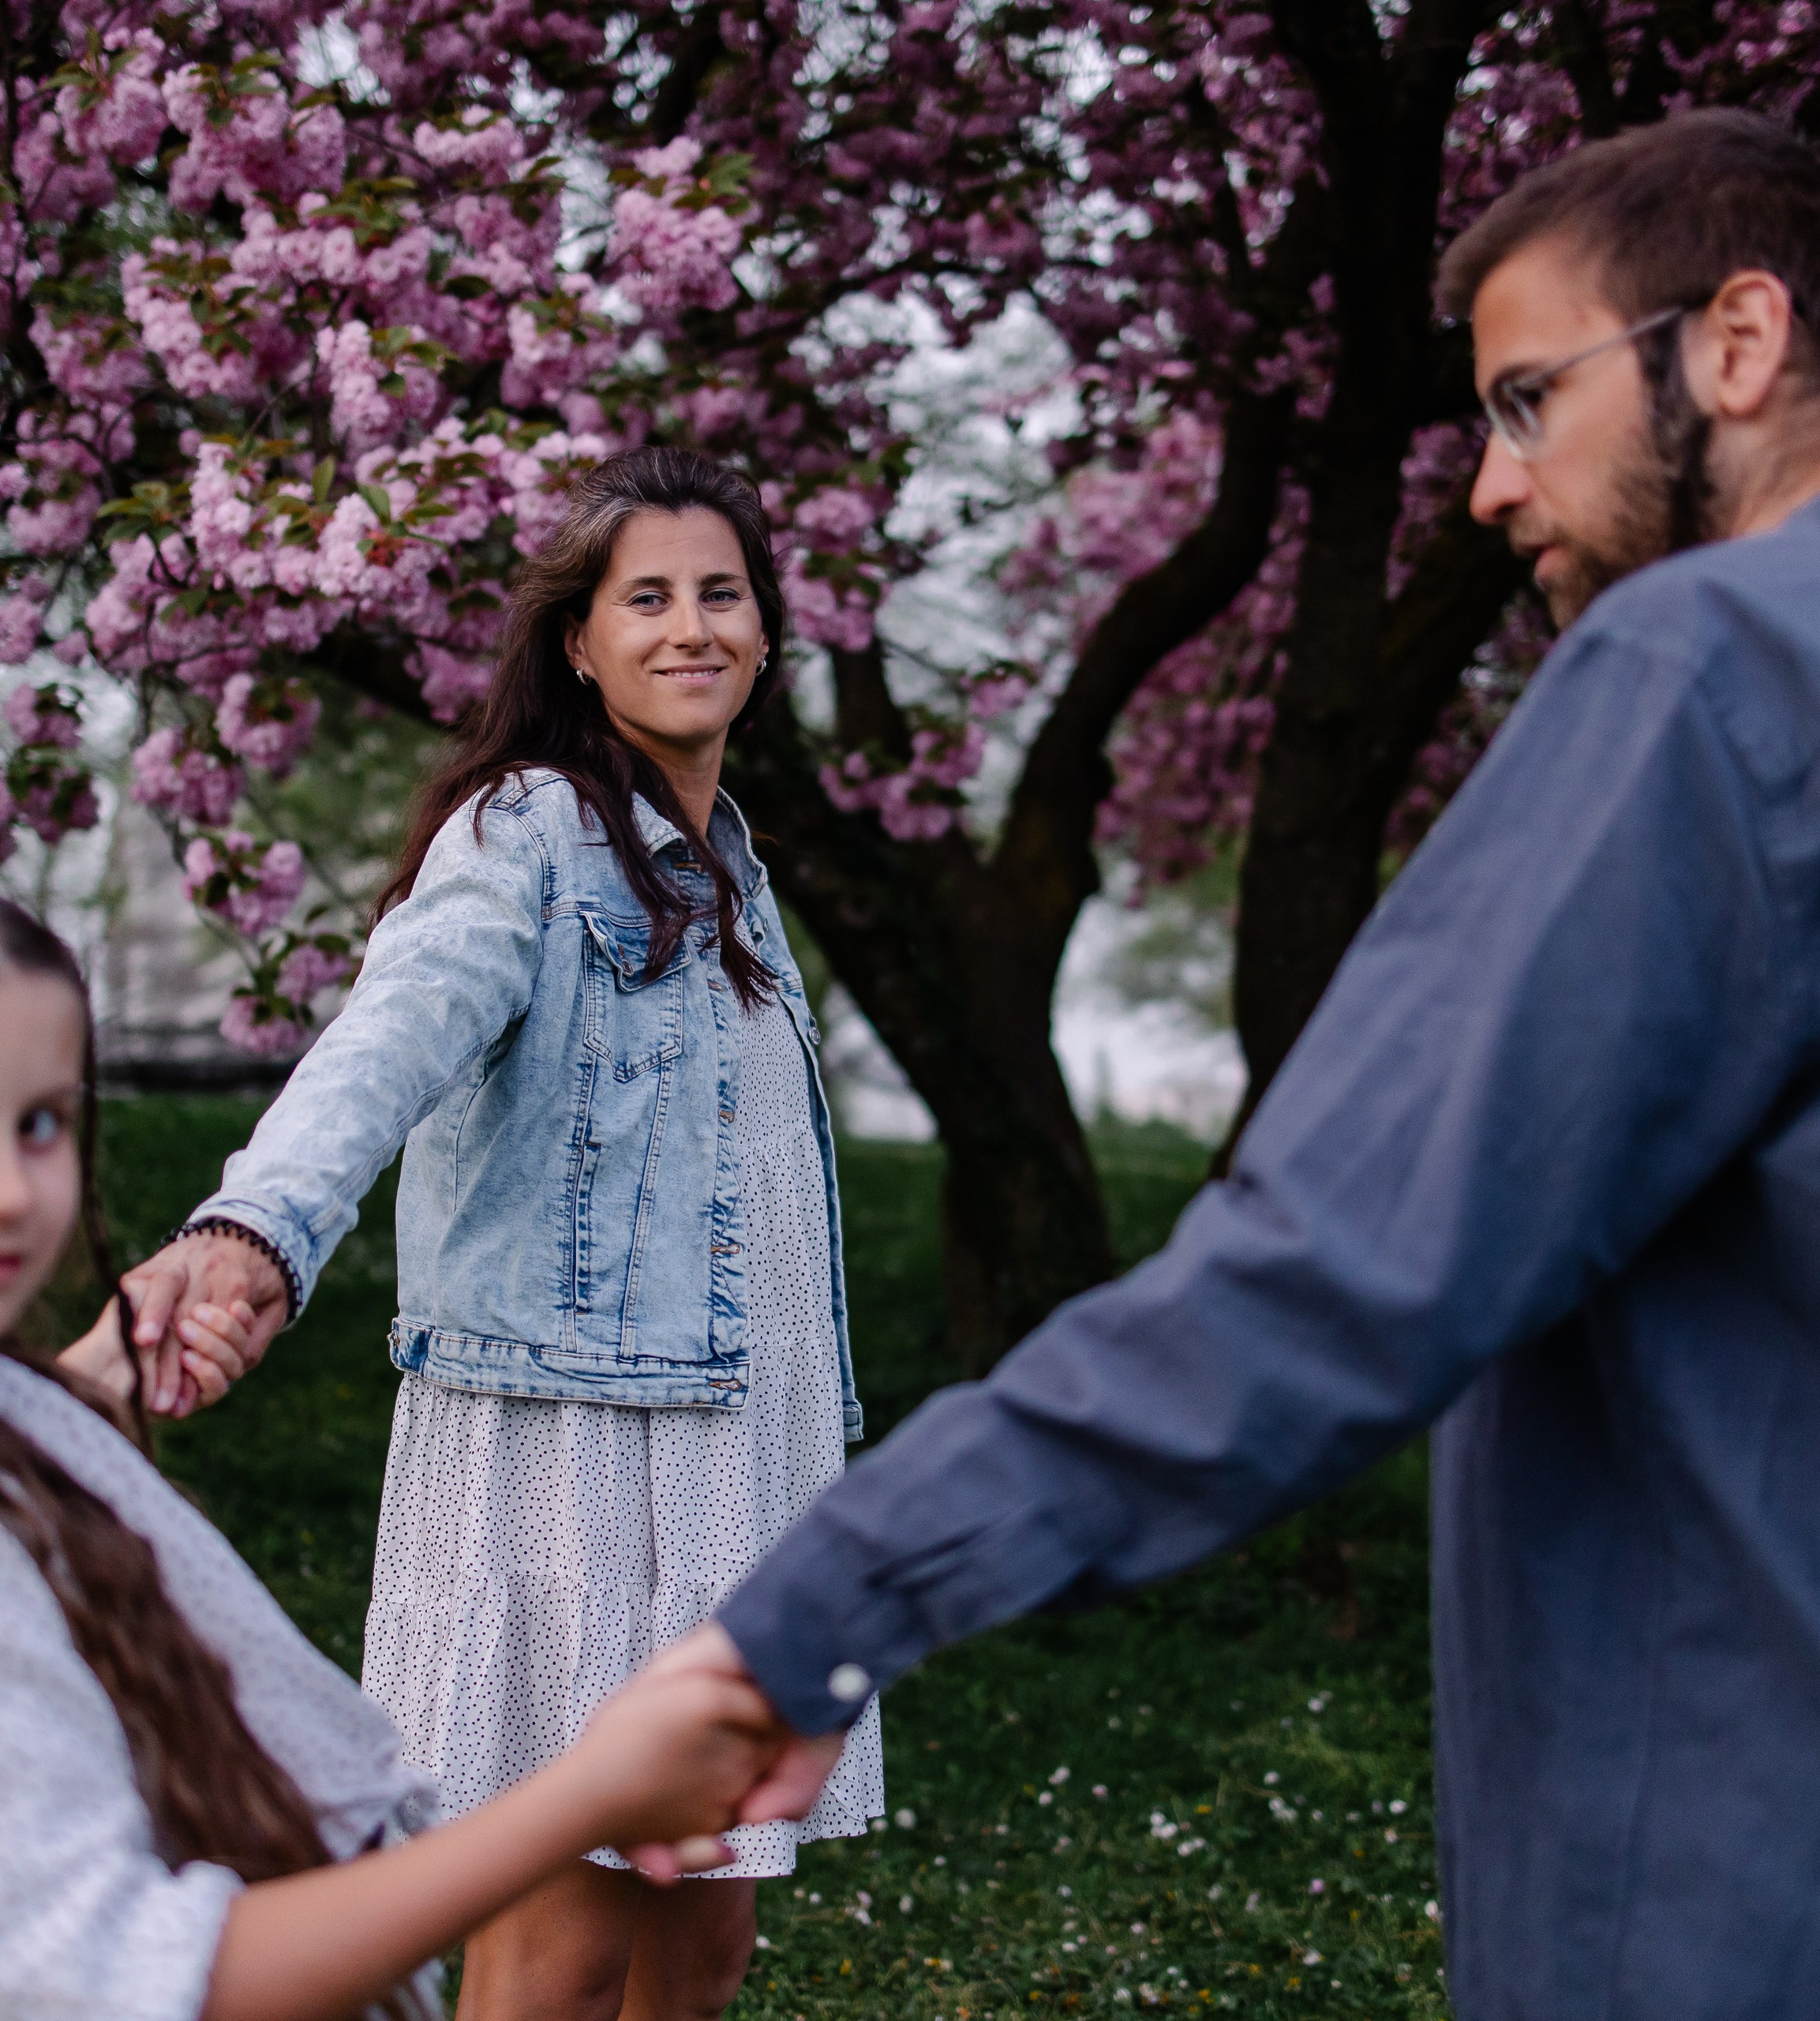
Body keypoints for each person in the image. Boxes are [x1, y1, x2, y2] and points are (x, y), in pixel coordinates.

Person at [641, 107, 1820, 2019]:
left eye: (1528, 402)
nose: (1486, 492)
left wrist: (823, 1604)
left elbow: (1343, 1260)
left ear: (1738, 342)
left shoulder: (1709, 663)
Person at [119, 448, 884, 2021]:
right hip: (580, 1442)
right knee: (562, 1940)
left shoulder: (725, 858)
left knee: (704, 1940)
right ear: (579, 645)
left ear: (764, 632)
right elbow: (385, 1040)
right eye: (646, 597)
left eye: (719, 592)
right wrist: (257, 1228)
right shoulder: (526, 830)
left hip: (739, 1446)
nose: (689, 625)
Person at [0, 850, 784, 2021]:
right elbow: (157, 1984)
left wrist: (93, 1389)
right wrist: (586, 1798)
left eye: (41, 1121)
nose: (10, 1191)